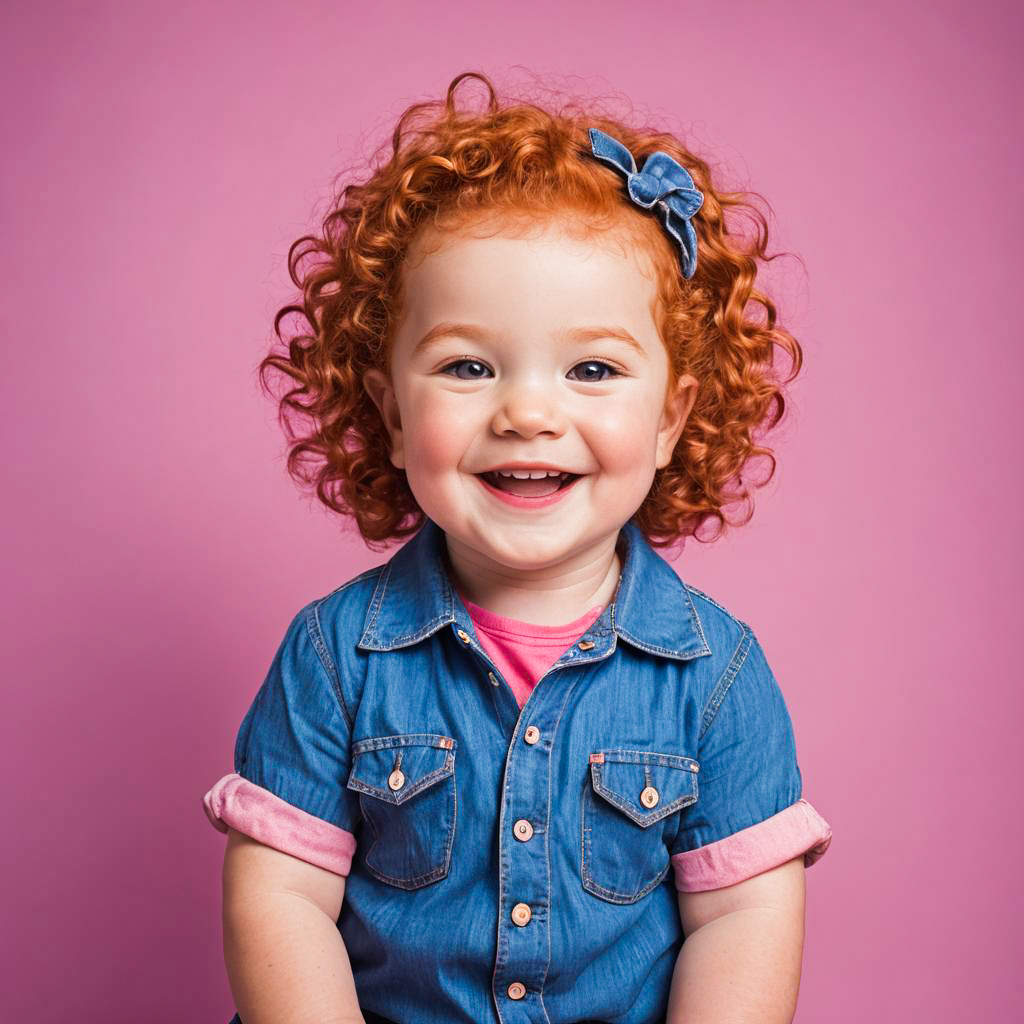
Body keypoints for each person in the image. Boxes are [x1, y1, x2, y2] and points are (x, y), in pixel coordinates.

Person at [202, 70, 834, 1024]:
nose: (528, 412)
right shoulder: (335, 656)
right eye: (468, 365)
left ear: (672, 419)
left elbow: (742, 918)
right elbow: (281, 899)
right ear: (388, 406)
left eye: (591, 368)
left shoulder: (717, 676)